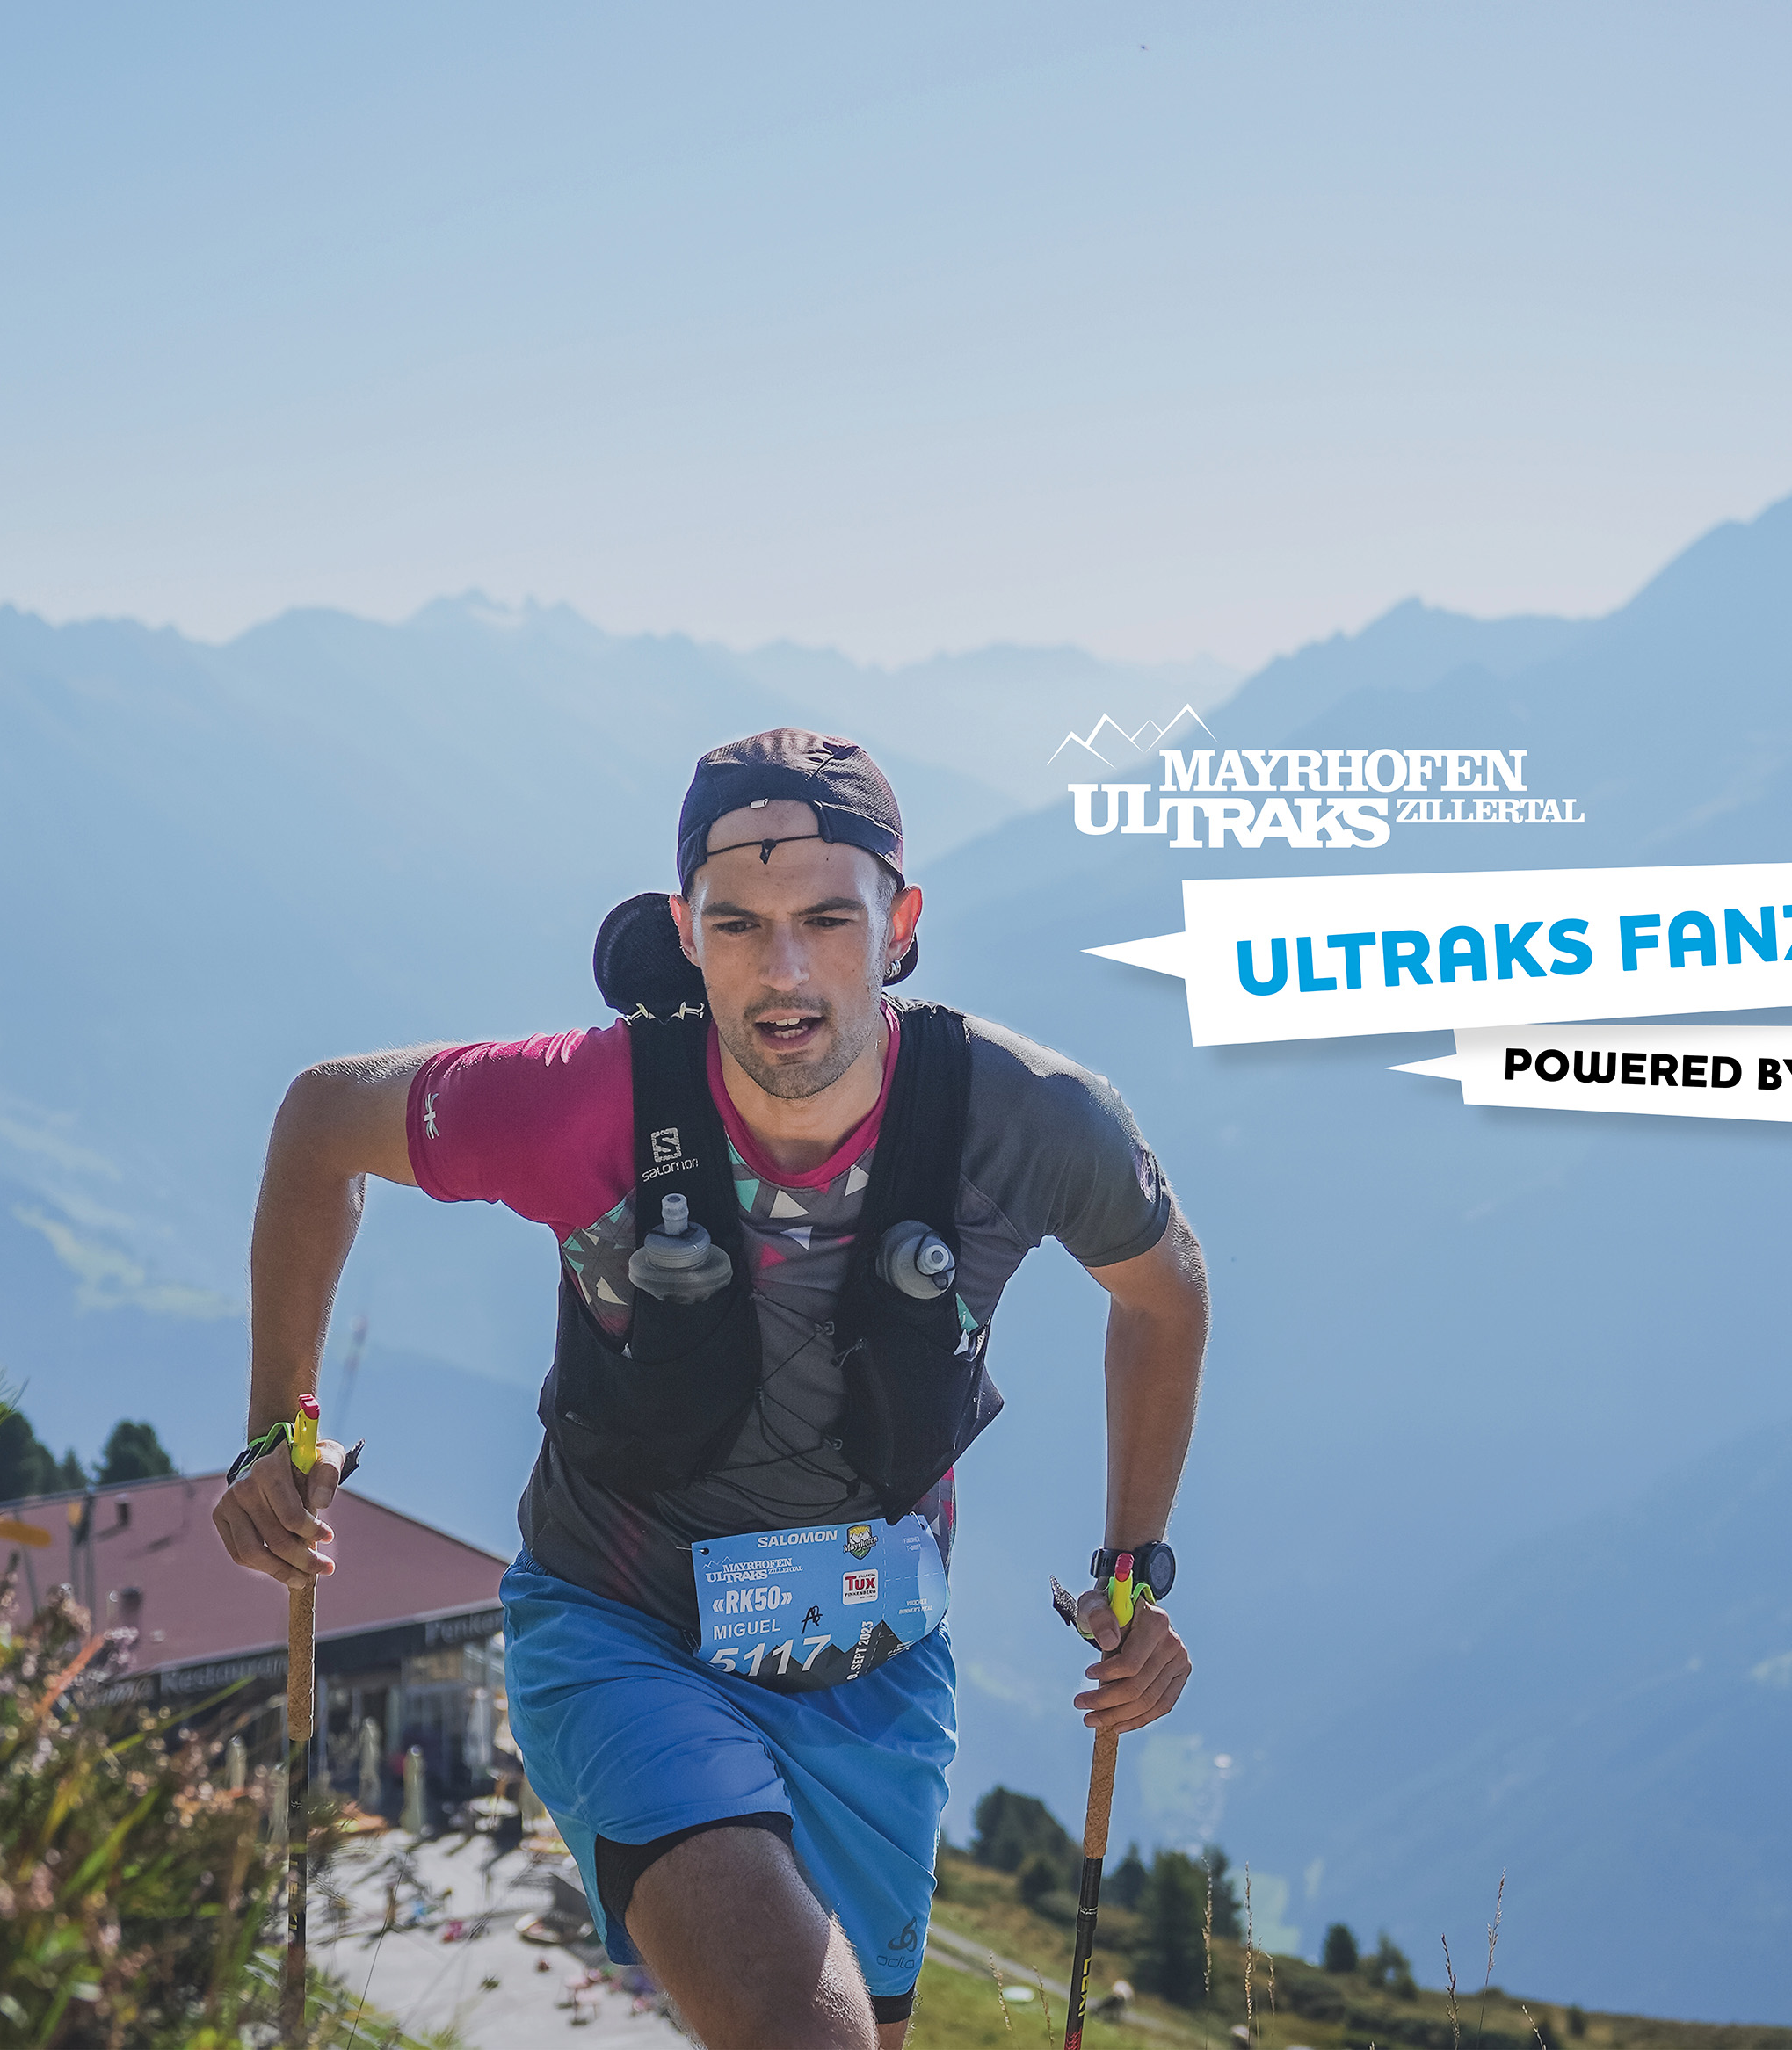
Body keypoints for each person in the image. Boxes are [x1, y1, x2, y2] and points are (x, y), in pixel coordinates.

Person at [214, 729, 1208, 2050]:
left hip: (876, 1668)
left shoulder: (1027, 1121)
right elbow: (322, 1119)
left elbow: (1165, 1290)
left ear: (900, 925)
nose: (783, 970)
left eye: (826, 921)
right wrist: (272, 1435)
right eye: (737, 923)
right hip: (622, 1632)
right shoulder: (587, 1105)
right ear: (686, 932)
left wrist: (1133, 1562)